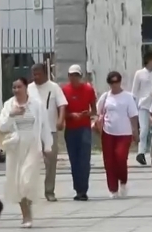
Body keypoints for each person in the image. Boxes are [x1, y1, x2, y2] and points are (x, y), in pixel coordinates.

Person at [0, 78, 54, 227]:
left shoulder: (36, 104)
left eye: (19, 87)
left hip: (32, 145)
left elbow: (44, 126)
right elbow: (2, 126)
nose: (16, 90)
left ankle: (28, 206)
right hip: (16, 146)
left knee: (27, 180)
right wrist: (12, 115)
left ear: (25, 87)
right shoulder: (9, 105)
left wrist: (48, 146)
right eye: (14, 87)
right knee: (18, 183)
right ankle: (26, 215)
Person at [26, 63, 68, 202]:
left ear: (45, 73)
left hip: (50, 130)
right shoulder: (29, 88)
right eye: (34, 74)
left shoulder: (54, 87)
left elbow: (62, 105)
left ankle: (49, 191)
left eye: (38, 74)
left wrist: (61, 120)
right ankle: (29, 191)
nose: (36, 77)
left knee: (50, 162)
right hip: (32, 131)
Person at [97, 71, 139, 198]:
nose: (114, 85)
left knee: (120, 157)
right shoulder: (105, 97)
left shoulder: (128, 97)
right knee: (109, 161)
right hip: (108, 132)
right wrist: (98, 123)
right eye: (112, 82)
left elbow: (133, 115)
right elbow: (99, 112)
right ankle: (113, 189)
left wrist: (135, 131)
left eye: (116, 82)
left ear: (120, 82)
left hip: (124, 133)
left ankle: (123, 180)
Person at [61, 64, 96, 201]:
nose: (74, 78)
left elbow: (94, 110)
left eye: (76, 75)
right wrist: (71, 115)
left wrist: (87, 114)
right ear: (68, 76)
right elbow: (62, 111)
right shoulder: (64, 90)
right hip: (71, 129)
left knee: (84, 160)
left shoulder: (88, 89)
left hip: (84, 128)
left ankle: (83, 190)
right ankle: (78, 189)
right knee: (74, 161)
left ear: (80, 76)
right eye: (71, 75)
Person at [132, 51, 152, 166]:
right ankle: (141, 152)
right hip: (144, 104)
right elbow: (135, 91)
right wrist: (134, 107)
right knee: (144, 129)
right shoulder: (139, 73)